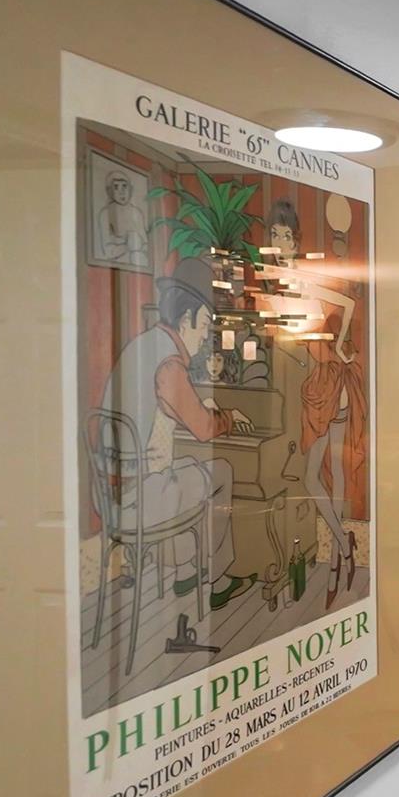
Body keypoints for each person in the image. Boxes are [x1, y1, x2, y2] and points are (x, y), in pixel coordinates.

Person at [97, 255, 256, 612]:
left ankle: (186, 570)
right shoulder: (170, 363)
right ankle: (217, 580)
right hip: (142, 501)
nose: (205, 337)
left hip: (111, 496)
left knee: (186, 467)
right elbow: (204, 428)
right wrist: (230, 416)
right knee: (221, 472)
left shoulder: (144, 344)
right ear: (187, 319)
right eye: (205, 325)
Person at [265, 199, 368, 610]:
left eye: (286, 235)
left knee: (315, 475)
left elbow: (348, 304)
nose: (280, 241)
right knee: (331, 471)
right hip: (318, 380)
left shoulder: (299, 278)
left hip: (328, 380)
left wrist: (339, 345)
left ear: (295, 240)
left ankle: (341, 545)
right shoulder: (276, 281)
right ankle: (341, 553)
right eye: (275, 234)